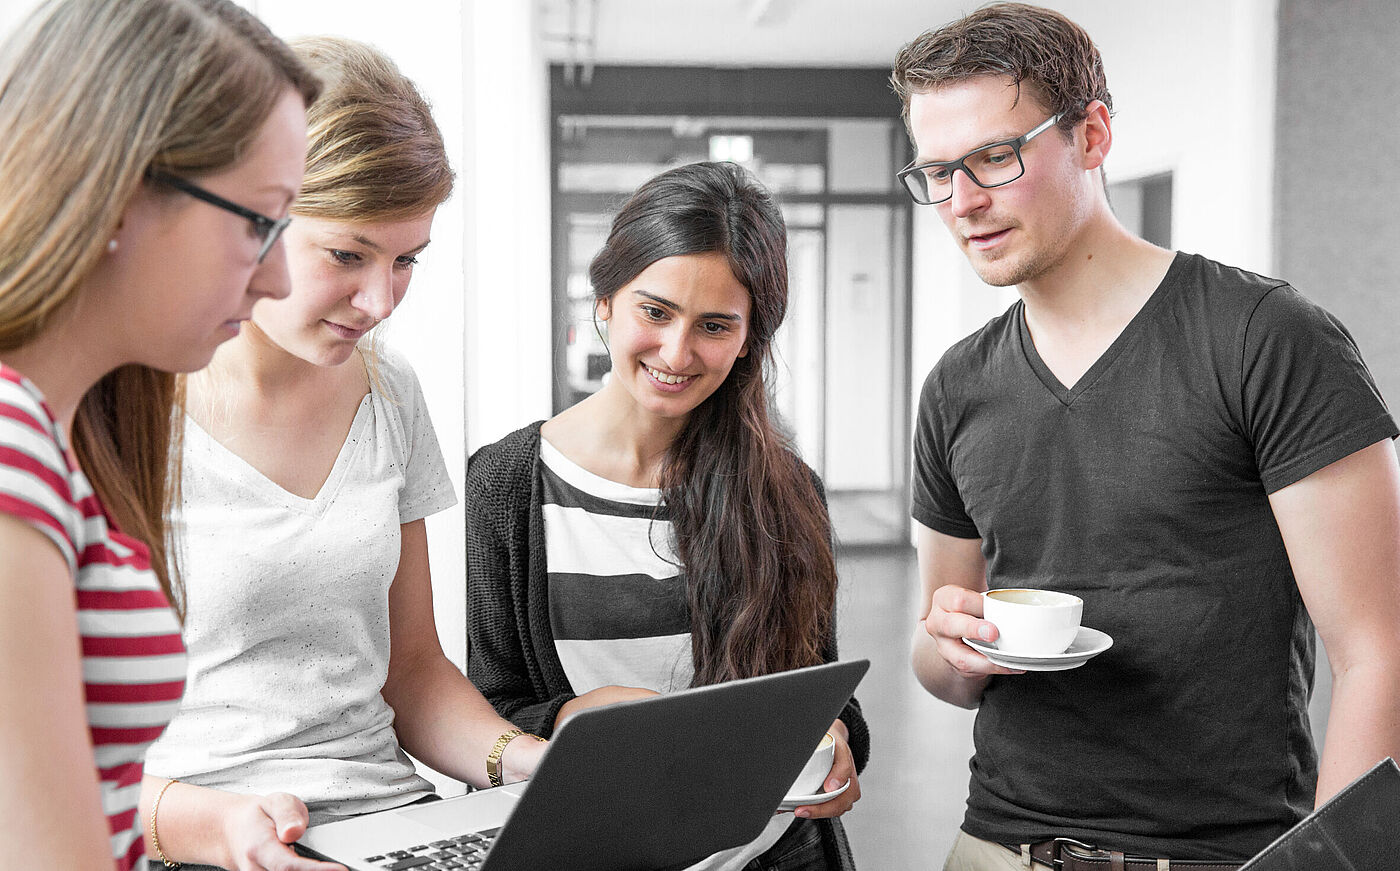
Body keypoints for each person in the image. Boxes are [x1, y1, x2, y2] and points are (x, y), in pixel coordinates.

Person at [892, 3, 1400, 869]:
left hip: (1218, 853)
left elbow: (1377, 647)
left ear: (1093, 135)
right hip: (994, 843)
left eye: (994, 156)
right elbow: (945, 672)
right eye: (937, 171)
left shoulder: (1265, 338)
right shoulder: (956, 386)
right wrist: (949, 644)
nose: (961, 201)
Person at [139, 37, 546, 871]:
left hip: (387, 822)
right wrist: (208, 826)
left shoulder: (389, 391)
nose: (379, 300)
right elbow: (45, 745)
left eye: (406, 262)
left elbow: (414, 669)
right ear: (255, 211)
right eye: (348, 255)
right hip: (202, 844)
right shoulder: (124, 407)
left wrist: (526, 761)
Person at [466, 160, 869, 871]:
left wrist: (835, 740)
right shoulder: (506, 483)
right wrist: (571, 718)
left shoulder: (787, 488)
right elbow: (488, 706)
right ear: (605, 302)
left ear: (749, 338)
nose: (676, 353)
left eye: (715, 325)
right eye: (655, 311)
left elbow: (826, 695)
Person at [0, 0, 318, 868]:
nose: (278, 276)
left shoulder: (62, 440)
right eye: (260, 221)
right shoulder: (10, 450)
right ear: (112, 187)